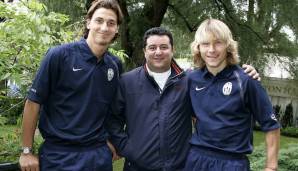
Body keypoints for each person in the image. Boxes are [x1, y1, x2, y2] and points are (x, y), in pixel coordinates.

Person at [107, 27, 260, 171]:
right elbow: (113, 120)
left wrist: (244, 74)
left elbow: (216, 92)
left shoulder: (189, 81)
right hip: (137, 167)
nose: (158, 52)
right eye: (152, 48)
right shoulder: (127, 82)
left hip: (180, 166)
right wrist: (127, 149)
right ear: (144, 51)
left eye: (164, 47)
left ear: (173, 50)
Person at [19, 0, 123, 170]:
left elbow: (113, 110)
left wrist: (113, 141)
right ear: (88, 22)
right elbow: (33, 103)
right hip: (59, 156)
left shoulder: (114, 65)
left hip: (98, 156)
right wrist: (26, 151)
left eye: (111, 23)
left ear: (116, 29)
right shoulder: (59, 55)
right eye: (99, 20)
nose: (104, 27)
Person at [184, 19, 280, 171]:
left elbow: (271, 125)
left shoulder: (246, 80)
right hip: (196, 160)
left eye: (218, 43)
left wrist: (271, 167)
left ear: (228, 46)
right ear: (198, 47)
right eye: (205, 44)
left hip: (231, 163)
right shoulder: (191, 79)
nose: (212, 49)